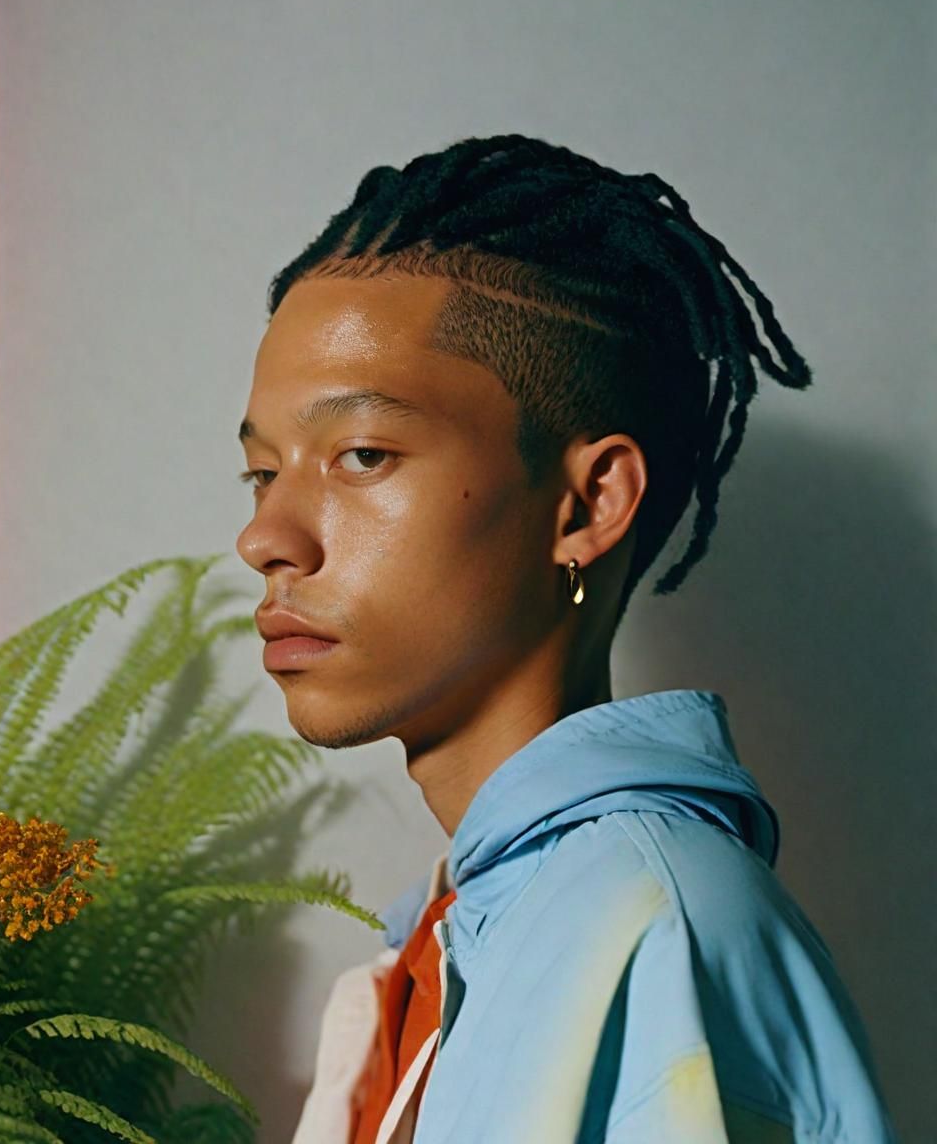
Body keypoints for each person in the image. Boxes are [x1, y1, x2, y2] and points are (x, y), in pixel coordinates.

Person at [235, 133, 898, 1143]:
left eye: (362, 453)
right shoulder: (450, 935)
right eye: (263, 471)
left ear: (588, 504)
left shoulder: (653, 932)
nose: (266, 536)